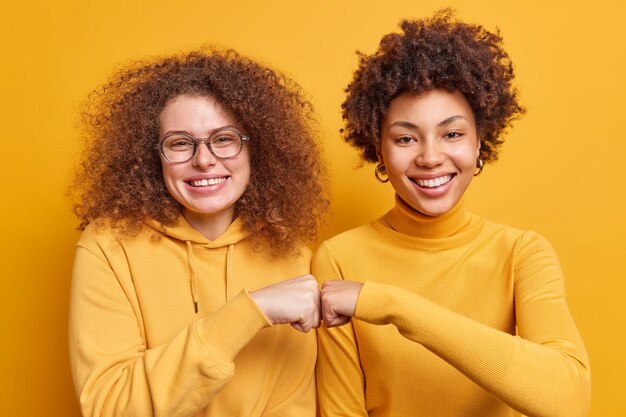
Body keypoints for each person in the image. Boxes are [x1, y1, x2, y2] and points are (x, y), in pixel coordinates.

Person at [315, 9, 590, 417]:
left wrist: (392, 304)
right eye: (406, 137)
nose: (430, 157)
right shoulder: (337, 260)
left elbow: (568, 401)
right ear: (379, 150)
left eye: (453, 134)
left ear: (480, 141)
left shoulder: (521, 254)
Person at [68, 48, 328, 417]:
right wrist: (249, 312)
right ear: (152, 156)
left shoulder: (293, 254)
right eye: (180, 143)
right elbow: (110, 407)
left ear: (258, 148)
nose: (203, 159)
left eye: (223, 139)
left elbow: (295, 405)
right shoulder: (109, 247)